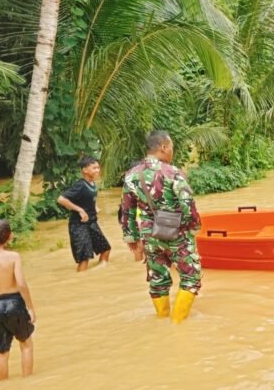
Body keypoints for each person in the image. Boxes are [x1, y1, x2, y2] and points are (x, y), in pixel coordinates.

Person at [120, 131, 202, 324]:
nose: (172, 151)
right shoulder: (172, 172)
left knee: (157, 279)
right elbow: (187, 203)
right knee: (191, 277)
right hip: (177, 233)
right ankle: (177, 324)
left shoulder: (131, 175)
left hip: (149, 235)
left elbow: (127, 210)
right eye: (171, 147)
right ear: (164, 147)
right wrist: (194, 226)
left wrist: (132, 238)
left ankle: (162, 320)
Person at [0, 219, 36, 380]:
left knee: (1, 351)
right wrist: (30, 308)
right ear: (9, 236)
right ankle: (27, 382)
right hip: (14, 303)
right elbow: (21, 284)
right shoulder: (13, 256)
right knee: (26, 345)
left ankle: (5, 385)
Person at [57, 155, 111, 272]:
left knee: (106, 249)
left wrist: (94, 206)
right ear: (85, 170)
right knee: (84, 258)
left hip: (92, 223)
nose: (97, 170)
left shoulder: (93, 184)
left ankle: (99, 274)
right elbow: (61, 199)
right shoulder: (80, 185)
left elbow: (88, 198)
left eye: (98, 168)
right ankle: (81, 278)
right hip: (79, 225)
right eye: (94, 168)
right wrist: (80, 210)